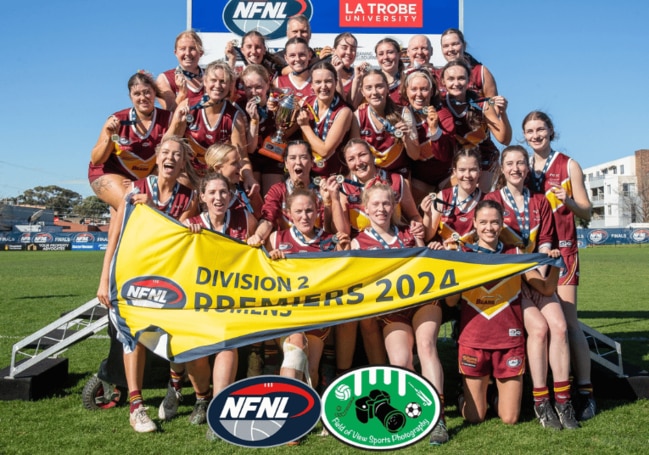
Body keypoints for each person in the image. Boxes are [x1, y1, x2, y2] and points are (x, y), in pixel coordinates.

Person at [96, 136, 199, 433]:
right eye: (165, 152)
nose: (170, 158)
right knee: (134, 337)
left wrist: (160, 211)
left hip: (168, 276)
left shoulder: (188, 197)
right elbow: (114, 236)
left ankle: (175, 388)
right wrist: (104, 279)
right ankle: (136, 407)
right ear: (156, 156)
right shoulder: (134, 188)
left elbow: (172, 237)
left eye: (176, 154)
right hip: (132, 275)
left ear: (182, 162)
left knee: (176, 335)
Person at [485, 145, 579, 430]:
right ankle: (541, 401)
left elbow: (546, 241)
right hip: (511, 283)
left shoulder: (540, 200)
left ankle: (563, 400)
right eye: (509, 163)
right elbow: (491, 245)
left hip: (537, 277)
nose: (515, 168)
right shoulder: (492, 200)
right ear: (502, 169)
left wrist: (539, 270)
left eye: (520, 163)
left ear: (527, 168)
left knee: (560, 327)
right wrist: (521, 275)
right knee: (538, 329)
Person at [523, 111, 595, 421]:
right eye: (529, 130)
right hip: (530, 256)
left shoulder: (569, 164)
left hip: (563, 253)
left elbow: (587, 212)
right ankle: (542, 392)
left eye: (540, 129)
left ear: (551, 132)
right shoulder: (521, 166)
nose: (535, 135)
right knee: (538, 325)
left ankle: (585, 391)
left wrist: (568, 200)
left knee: (567, 323)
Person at [184, 173, 257, 439]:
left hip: (231, 303)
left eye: (223, 192)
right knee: (194, 353)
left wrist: (258, 236)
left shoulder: (243, 219)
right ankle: (202, 399)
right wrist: (187, 238)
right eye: (212, 193)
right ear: (202, 197)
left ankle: (219, 409)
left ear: (231, 195)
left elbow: (262, 235)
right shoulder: (190, 224)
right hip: (198, 302)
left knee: (228, 346)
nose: (218, 197)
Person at [445, 200, 525, 425]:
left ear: (502, 224)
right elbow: (451, 302)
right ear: (474, 224)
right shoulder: (463, 254)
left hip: (509, 341)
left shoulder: (516, 253)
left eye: (494, 222)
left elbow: (545, 287)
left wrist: (555, 261)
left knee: (509, 418)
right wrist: (453, 266)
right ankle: (466, 394)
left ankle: (492, 393)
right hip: (474, 340)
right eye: (483, 222)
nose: (489, 228)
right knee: (475, 417)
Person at [266, 188, 350, 387]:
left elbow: (342, 275)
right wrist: (273, 260)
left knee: (310, 370)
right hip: (289, 313)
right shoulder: (276, 239)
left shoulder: (330, 241)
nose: (304, 217)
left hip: (318, 314)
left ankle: (304, 410)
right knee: (296, 349)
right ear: (288, 213)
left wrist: (343, 251)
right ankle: (286, 403)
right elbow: (263, 278)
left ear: (318, 210)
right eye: (299, 212)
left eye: (309, 211)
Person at [165, 61, 257, 193]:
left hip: (218, 177)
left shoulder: (234, 116)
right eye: (213, 80)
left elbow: (241, 156)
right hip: (189, 172)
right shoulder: (188, 105)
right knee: (182, 182)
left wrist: (249, 177)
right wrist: (177, 125)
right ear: (205, 81)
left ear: (230, 85)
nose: (218, 85)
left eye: (223, 81)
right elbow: (167, 142)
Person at [89, 71, 172, 211]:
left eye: (147, 92)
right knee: (129, 203)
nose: (143, 98)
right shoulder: (117, 119)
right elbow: (97, 160)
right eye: (137, 94)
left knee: (151, 205)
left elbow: (170, 156)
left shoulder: (168, 119)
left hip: (146, 176)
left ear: (154, 93)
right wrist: (110, 137)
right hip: (112, 172)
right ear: (130, 97)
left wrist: (145, 180)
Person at [246, 140, 347, 247]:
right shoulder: (278, 190)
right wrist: (258, 236)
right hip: (288, 251)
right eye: (293, 158)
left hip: (319, 248)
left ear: (312, 161)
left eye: (303, 157)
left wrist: (329, 201)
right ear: (286, 163)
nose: (298, 162)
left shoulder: (323, 187)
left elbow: (334, 232)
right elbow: (268, 219)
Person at [440, 59, 511, 192]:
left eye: (461, 78)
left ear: (468, 81)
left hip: (484, 157)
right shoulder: (441, 104)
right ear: (443, 82)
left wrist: (503, 114)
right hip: (459, 159)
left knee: (479, 197)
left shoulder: (482, 105)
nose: (456, 83)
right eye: (451, 79)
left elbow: (504, 140)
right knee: (447, 194)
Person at [400, 66, 455, 201]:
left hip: (446, 176)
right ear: (406, 91)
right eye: (413, 89)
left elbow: (445, 154)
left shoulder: (442, 115)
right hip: (419, 179)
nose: (418, 94)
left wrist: (435, 129)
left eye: (424, 89)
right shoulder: (401, 115)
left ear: (431, 92)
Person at [350, 69, 417, 177]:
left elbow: (415, 155)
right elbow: (355, 155)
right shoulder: (357, 116)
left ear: (387, 88)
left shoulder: (403, 112)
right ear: (362, 92)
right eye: (368, 88)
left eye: (379, 86)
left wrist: (406, 138)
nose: (374, 92)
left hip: (398, 175)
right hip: (371, 175)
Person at [296, 61, 353, 177]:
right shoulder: (304, 103)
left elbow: (324, 151)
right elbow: (286, 133)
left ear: (336, 82)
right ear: (311, 85)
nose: (323, 86)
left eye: (328, 81)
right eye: (318, 82)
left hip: (334, 177)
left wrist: (305, 126)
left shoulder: (343, 111)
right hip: (307, 174)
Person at [236, 64, 285, 195]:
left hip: (273, 154)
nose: (253, 92)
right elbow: (250, 149)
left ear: (268, 85)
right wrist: (254, 121)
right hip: (251, 157)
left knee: (272, 195)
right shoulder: (239, 108)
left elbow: (286, 131)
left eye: (258, 87)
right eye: (249, 88)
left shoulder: (278, 101)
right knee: (254, 193)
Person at [421, 148, 484, 250]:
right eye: (462, 170)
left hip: (472, 261)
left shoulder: (486, 200)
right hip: (444, 258)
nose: (467, 175)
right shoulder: (443, 197)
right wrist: (427, 214)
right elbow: (427, 236)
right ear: (454, 171)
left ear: (480, 172)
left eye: (472, 170)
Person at [204, 143, 263, 218]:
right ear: (218, 168)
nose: (240, 166)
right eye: (234, 163)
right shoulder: (205, 193)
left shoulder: (245, 189)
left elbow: (262, 217)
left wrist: (255, 195)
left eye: (239, 161)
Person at [438, 28, 498, 99]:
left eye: (455, 44)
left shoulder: (480, 72)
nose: (450, 49)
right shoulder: (438, 75)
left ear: (464, 45)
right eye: (446, 46)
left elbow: (493, 105)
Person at [156, 31, 205, 111]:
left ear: (201, 53)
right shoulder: (165, 79)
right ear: (176, 53)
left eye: (192, 48)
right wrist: (182, 93)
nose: (187, 53)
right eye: (182, 49)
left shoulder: (211, 77)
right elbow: (168, 116)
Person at [374, 38, 406, 106]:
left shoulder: (408, 81)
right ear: (377, 57)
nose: (385, 57)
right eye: (381, 54)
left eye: (390, 52)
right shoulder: (370, 81)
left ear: (399, 55)